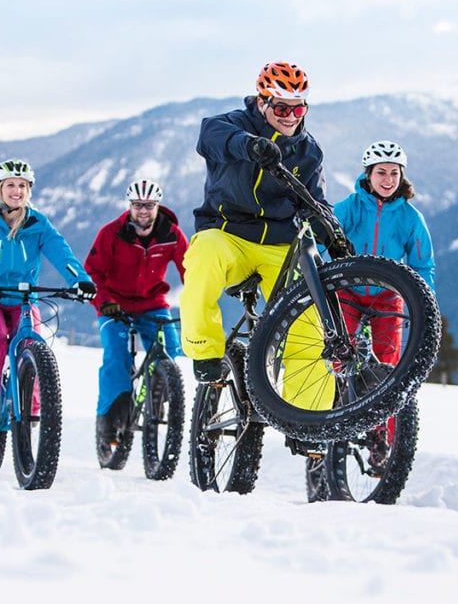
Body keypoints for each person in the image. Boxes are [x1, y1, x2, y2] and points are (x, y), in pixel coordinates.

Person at [180, 60, 350, 411]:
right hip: (228, 235)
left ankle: (308, 418)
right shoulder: (229, 125)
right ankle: (205, 351)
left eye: (299, 108)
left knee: (306, 323)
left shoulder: (307, 151)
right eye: (282, 107)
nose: (291, 116)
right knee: (203, 257)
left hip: (279, 246)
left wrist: (333, 234)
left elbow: (315, 201)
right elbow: (210, 136)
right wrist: (250, 146)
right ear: (262, 103)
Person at [0, 158, 96, 437]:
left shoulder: (38, 223)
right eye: (10, 186)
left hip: (23, 298)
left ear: (28, 190)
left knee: (32, 341)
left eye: (22, 186)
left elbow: (61, 252)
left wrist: (80, 281)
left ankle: (30, 407)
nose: (16, 191)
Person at [333, 140, 436, 466]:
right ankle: (332, 412)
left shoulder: (410, 217)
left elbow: (422, 265)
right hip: (348, 292)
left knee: (388, 367)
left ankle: (381, 435)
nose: (388, 179)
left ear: (402, 176)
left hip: (387, 296)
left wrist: (423, 303)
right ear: (368, 174)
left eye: (394, 173)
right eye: (381, 172)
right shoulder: (350, 207)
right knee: (338, 353)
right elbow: (324, 240)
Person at [85, 178, 189, 445]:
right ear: (130, 206)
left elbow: (190, 270)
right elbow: (93, 272)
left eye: (149, 205)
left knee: (171, 352)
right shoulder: (111, 233)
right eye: (138, 205)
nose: (143, 210)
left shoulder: (172, 235)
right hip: (113, 305)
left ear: (158, 206)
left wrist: (197, 298)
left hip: (152, 304)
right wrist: (104, 301)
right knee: (116, 359)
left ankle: (158, 394)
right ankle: (109, 422)